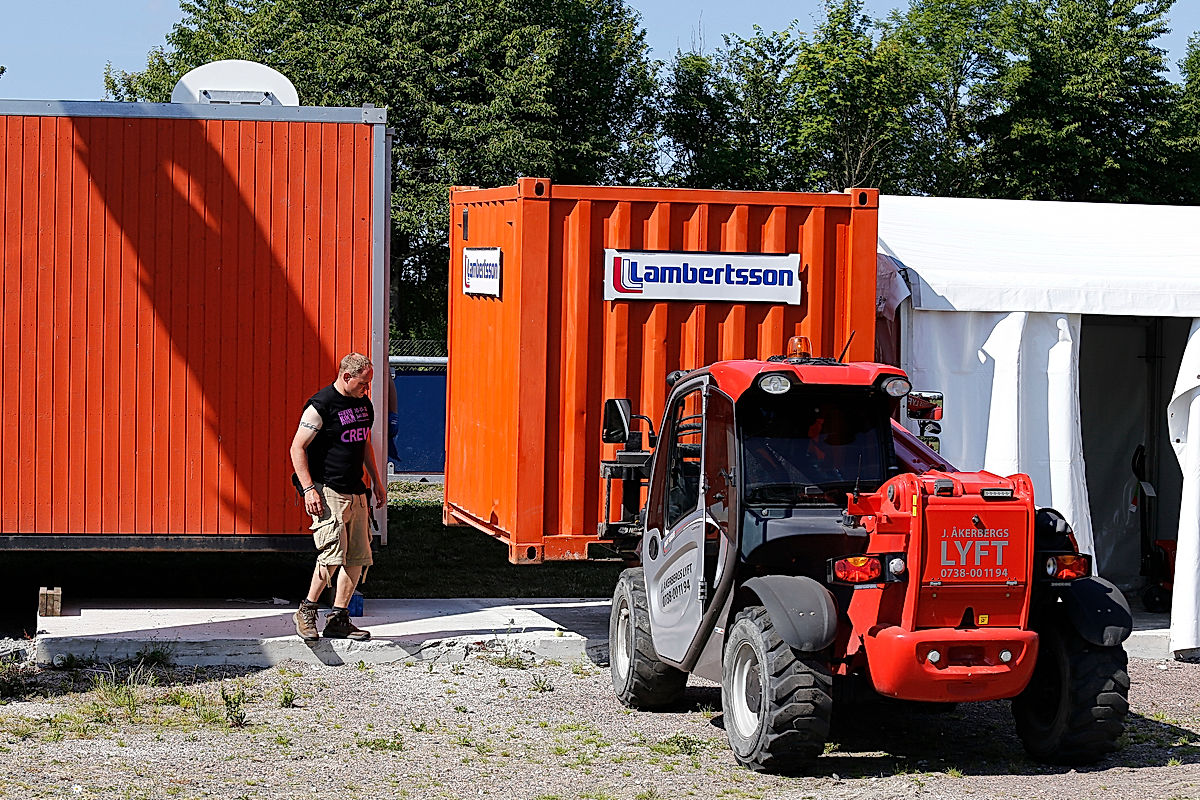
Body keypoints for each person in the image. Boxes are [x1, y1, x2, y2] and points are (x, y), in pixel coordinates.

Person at [291, 353, 387, 641]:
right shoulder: (320, 406)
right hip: (327, 489)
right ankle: (306, 611)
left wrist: (377, 482)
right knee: (332, 555)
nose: (366, 389)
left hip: (356, 489)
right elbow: (297, 448)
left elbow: (364, 443)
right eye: (363, 383)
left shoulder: (363, 406)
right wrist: (309, 489)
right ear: (347, 376)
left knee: (358, 556)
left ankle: (339, 619)